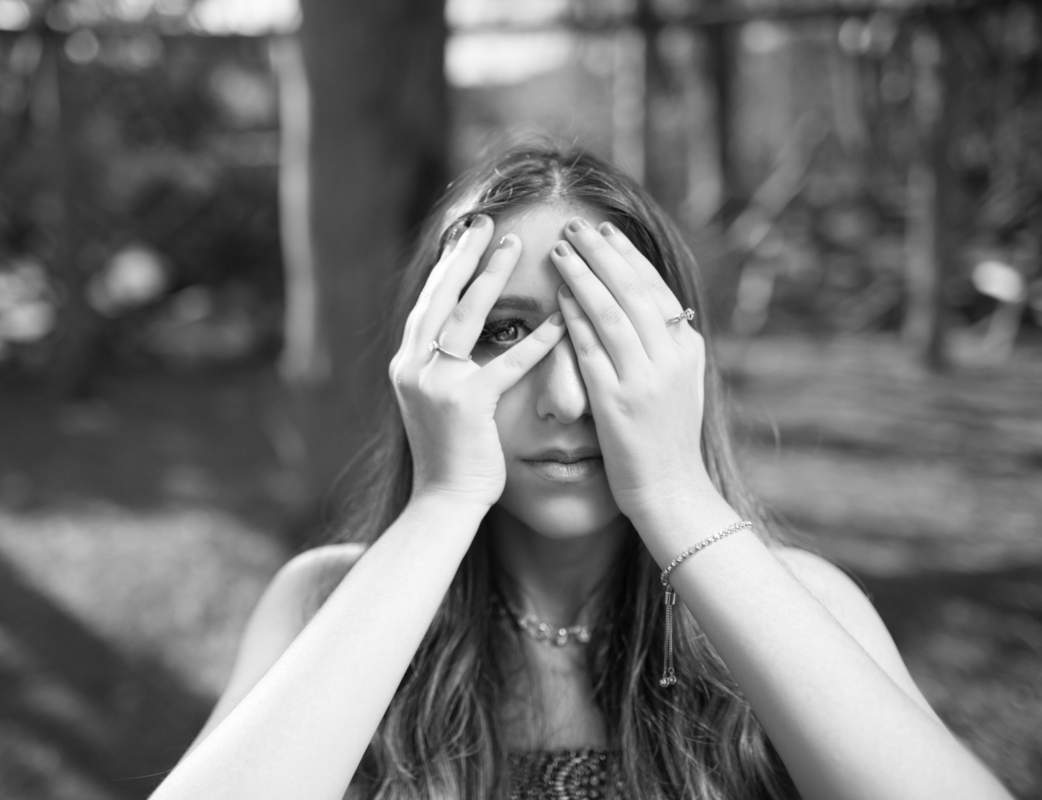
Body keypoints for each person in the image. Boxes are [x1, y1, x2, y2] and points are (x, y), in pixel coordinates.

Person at [150, 145, 1011, 800]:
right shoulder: (322, 603)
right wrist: (443, 504)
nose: (563, 398)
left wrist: (674, 495)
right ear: (429, 358)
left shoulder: (803, 605)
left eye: (606, 335)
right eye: (504, 331)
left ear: (679, 359)